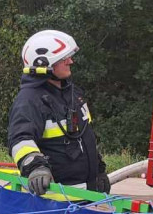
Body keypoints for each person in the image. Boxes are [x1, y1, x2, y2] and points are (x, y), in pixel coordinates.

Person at [7, 30, 108, 196]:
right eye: (64, 58)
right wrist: (36, 168)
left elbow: (85, 136)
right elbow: (20, 140)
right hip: (55, 200)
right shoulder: (30, 100)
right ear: (44, 63)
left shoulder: (73, 94)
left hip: (85, 196)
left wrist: (99, 170)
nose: (71, 61)